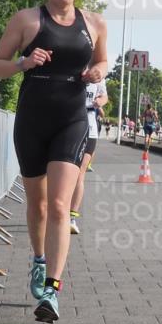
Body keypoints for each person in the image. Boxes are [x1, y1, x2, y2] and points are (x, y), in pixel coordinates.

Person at [0, 0, 108, 323]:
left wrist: (95, 72)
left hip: (72, 118)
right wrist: (24, 63)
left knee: (59, 206)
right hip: (33, 118)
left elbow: (104, 64)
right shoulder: (27, 20)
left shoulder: (95, 23)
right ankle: (39, 261)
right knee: (37, 206)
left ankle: (52, 291)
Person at [69, 79, 108, 234]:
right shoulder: (72, 64)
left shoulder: (98, 73)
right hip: (68, 124)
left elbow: (104, 96)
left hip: (90, 127)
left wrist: (100, 101)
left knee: (80, 174)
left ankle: (71, 218)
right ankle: (56, 211)